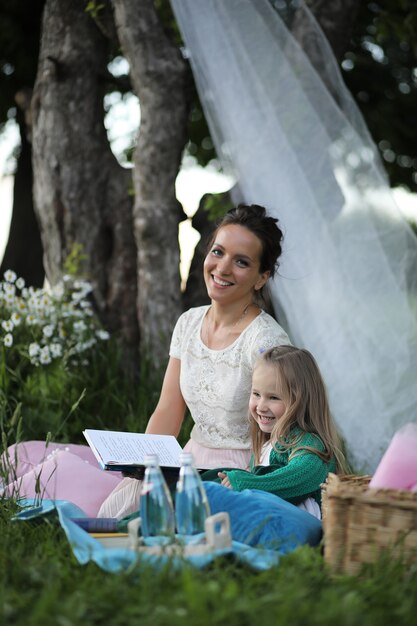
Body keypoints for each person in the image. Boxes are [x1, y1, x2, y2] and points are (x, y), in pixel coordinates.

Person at [2, 204, 291, 518]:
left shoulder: (266, 342)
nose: (222, 268)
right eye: (218, 252)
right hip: (187, 459)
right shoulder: (189, 323)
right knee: (108, 505)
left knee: (153, 521)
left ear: (261, 277)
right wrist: (141, 466)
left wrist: (254, 481)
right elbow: (168, 410)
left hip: (238, 472)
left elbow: (282, 430)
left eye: (241, 262)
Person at [204, 344, 347, 519]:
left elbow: (302, 476)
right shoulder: (267, 444)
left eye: (273, 397)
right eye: (256, 394)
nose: (261, 406)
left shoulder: (308, 442)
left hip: (297, 528)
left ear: (301, 401)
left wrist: (248, 483)